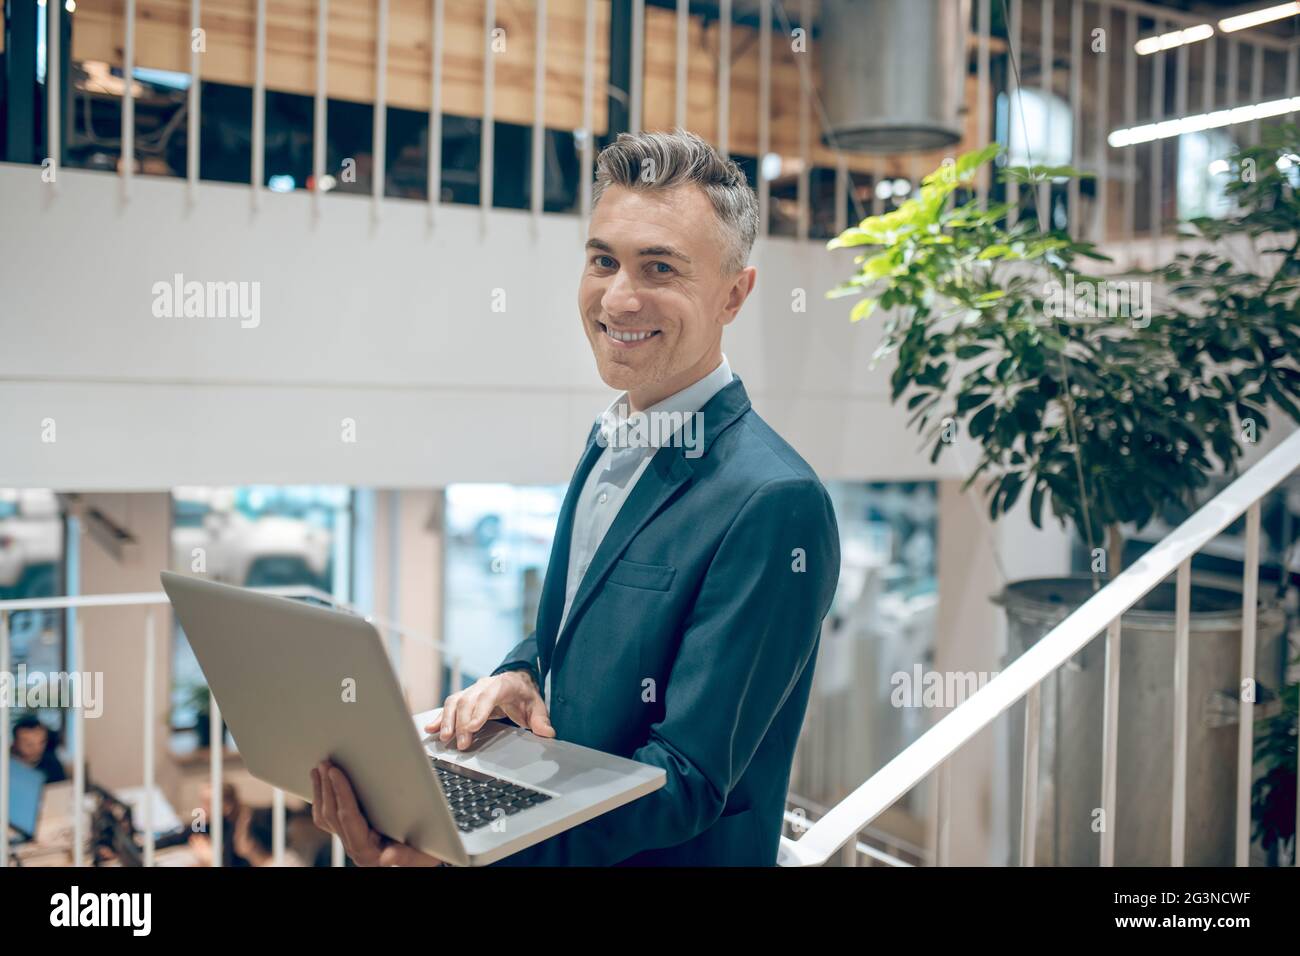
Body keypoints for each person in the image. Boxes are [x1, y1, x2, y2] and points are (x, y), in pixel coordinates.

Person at [312, 128, 841, 866]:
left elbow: (685, 780)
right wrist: (519, 672)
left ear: (734, 295)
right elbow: (577, 631)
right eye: (603, 261)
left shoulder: (774, 501)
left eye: (660, 268)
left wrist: (478, 857)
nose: (619, 298)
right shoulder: (612, 435)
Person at [10, 714, 67, 783]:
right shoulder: (6, 766)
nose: (37, 749)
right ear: (15, 743)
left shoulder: (52, 764)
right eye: (29, 744)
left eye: (41, 742)